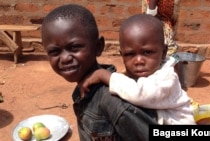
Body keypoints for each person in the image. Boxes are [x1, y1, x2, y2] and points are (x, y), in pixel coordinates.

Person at [41, 4, 158, 141]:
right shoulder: (84, 89)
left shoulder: (113, 101)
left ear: (98, 47)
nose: (65, 58)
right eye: (54, 52)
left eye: (74, 47)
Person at [82, 14, 196, 125]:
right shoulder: (138, 73)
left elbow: (140, 93)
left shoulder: (168, 77)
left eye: (147, 52)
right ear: (122, 55)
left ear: (163, 52)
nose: (139, 61)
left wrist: (104, 75)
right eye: (130, 54)